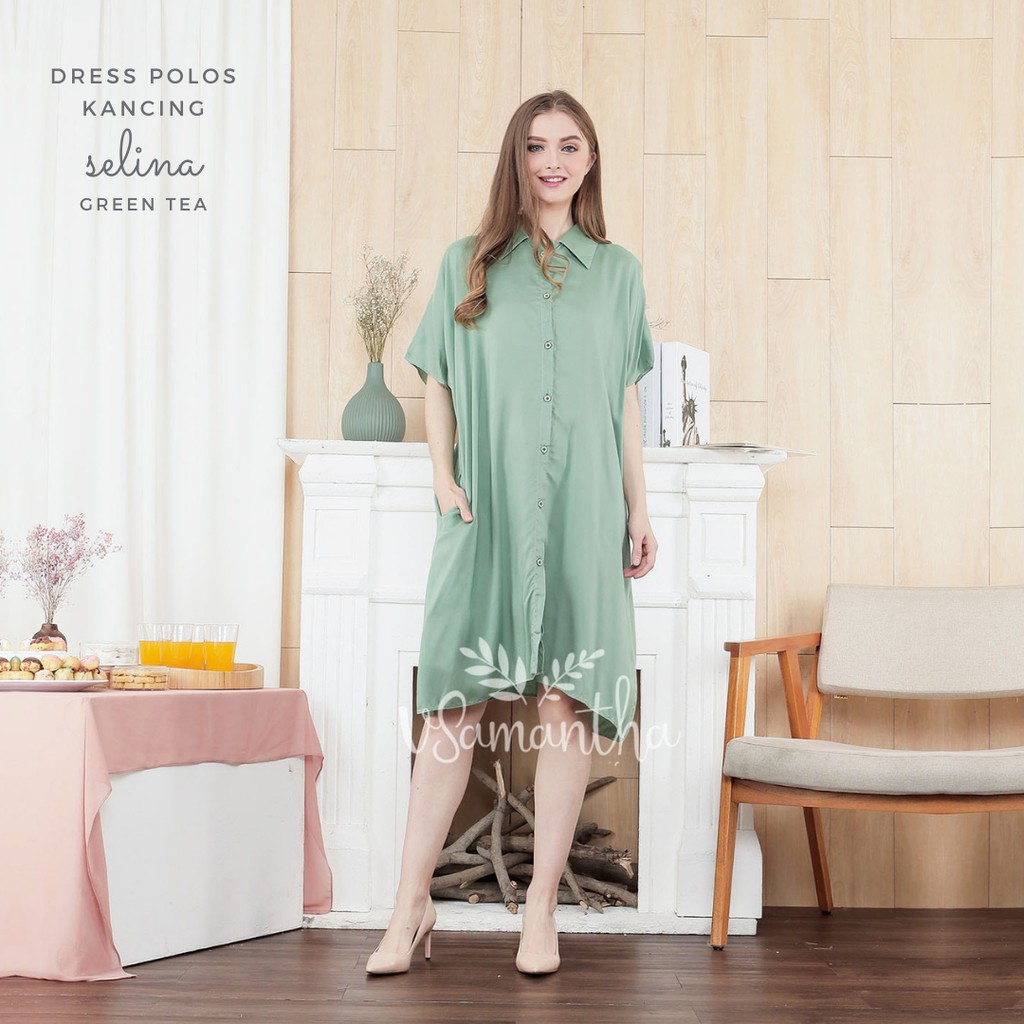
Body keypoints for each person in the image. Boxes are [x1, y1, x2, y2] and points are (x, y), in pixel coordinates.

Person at [365, 90, 657, 977]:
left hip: (583, 516)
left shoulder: (619, 273)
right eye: (536, 146)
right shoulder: (469, 262)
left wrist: (640, 509)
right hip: (483, 513)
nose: (552, 161)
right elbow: (440, 376)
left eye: (569, 146)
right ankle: (409, 907)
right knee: (454, 707)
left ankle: (540, 913)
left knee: (566, 704)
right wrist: (441, 473)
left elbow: (624, 401)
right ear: (517, 159)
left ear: (591, 159)